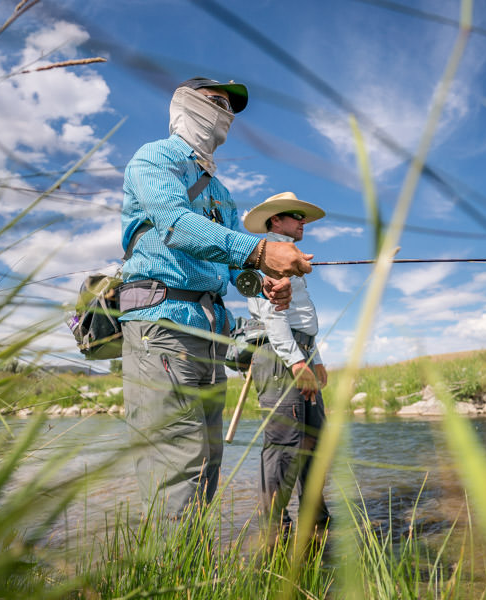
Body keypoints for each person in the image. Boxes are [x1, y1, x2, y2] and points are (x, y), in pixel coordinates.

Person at [118, 77, 313, 519]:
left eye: (231, 107)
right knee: (176, 464)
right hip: (161, 326)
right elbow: (174, 223)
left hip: (209, 337)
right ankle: (165, 579)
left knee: (206, 464)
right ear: (185, 104)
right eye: (216, 101)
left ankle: (189, 576)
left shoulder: (222, 192)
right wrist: (261, 251)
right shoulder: (154, 158)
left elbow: (230, 271)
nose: (225, 112)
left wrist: (262, 282)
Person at [243, 192, 330, 539]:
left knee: (314, 440)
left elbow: (302, 318)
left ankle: (315, 520)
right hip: (282, 358)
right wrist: (297, 361)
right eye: (296, 215)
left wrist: (316, 358)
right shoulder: (266, 256)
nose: (302, 221)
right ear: (275, 221)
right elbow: (271, 315)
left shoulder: (290, 258)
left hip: (301, 352)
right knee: (285, 444)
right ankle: (276, 529)